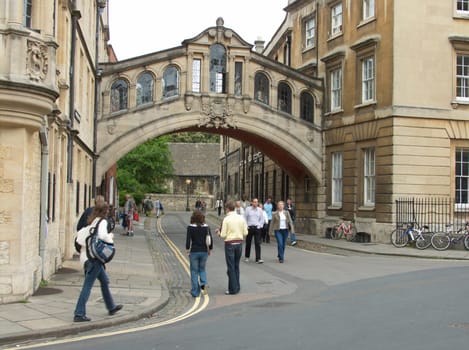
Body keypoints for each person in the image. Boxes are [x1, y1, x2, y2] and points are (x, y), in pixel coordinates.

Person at [73, 202, 123, 322]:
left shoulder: (93, 220)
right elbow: (102, 235)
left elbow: (82, 235)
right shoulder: (102, 221)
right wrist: (110, 236)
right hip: (94, 258)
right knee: (87, 285)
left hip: (88, 256)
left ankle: (111, 307)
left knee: (104, 281)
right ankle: (79, 313)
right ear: (105, 211)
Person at [217, 201, 248, 295]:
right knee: (236, 266)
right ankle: (237, 287)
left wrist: (218, 232)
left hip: (230, 244)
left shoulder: (226, 219)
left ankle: (232, 289)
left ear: (227, 209)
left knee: (230, 267)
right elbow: (246, 233)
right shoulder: (241, 218)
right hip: (239, 244)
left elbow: (223, 235)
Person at [186, 211, 213, 297]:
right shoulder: (207, 227)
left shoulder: (190, 228)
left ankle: (195, 292)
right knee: (202, 270)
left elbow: (188, 241)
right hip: (204, 252)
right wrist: (210, 249)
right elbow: (210, 240)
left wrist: (187, 249)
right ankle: (205, 289)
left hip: (194, 252)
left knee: (194, 272)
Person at [244, 198, 265, 263]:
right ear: (252, 203)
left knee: (257, 243)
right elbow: (244, 218)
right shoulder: (248, 209)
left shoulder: (260, 210)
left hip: (257, 228)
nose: (255, 203)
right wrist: (246, 226)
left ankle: (258, 258)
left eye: (256, 202)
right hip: (249, 228)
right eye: (254, 202)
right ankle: (247, 256)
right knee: (248, 243)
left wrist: (259, 226)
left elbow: (262, 219)